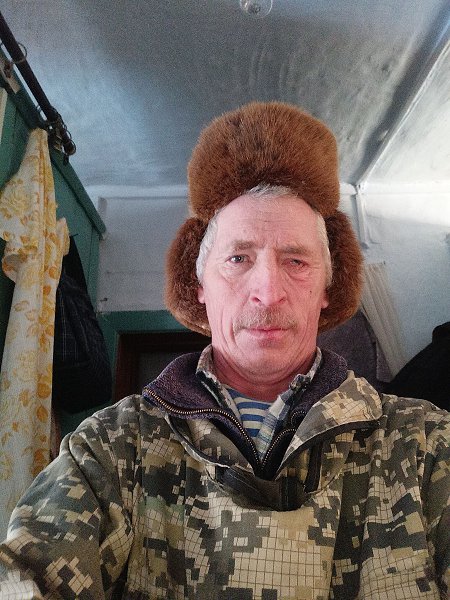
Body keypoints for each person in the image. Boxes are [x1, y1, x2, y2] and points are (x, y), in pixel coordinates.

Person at [0, 102, 448, 600]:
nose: (268, 292)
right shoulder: (111, 448)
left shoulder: (426, 447)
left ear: (327, 287)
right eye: (238, 258)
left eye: (296, 261)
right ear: (199, 285)